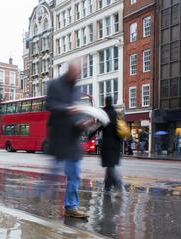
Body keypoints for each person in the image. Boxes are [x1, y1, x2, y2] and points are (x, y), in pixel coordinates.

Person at [46, 61, 93, 219]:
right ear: (70, 70)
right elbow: (50, 105)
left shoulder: (76, 91)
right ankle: (39, 198)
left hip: (72, 141)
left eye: (81, 70)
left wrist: (86, 123)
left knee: (74, 175)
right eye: (77, 69)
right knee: (51, 177)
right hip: (59, 139)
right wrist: (68, 109)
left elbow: (78, 117)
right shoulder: (54, 85)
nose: (79, 73)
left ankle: (70, 207)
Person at [92, 96, 124, 195]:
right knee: (111, 166)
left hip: (107, 143)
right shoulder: (116, 113)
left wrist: (89, 135)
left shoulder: (103, 113)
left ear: (105, 102)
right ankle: (107, 188)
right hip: (116, 143)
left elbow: (97, 127)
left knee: (110, 166)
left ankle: (118, 185)